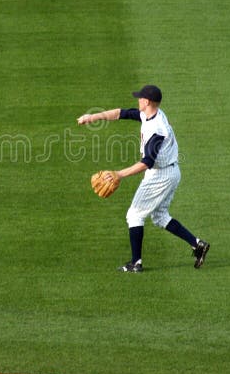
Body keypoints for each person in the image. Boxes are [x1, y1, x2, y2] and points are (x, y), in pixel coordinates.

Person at [77, 85, 209, 272]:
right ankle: (198, 245)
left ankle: (135, 263)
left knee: (134, 215)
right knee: (159, 216)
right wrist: (92, 117)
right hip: (169, 171)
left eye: (140, 98)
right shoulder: (148, 114)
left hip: (161, 174)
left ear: (147, 102)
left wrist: (119, 174)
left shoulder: (157, 129)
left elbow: (147, 161)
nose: (137, 100)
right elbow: (121, 113)